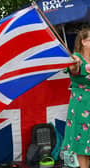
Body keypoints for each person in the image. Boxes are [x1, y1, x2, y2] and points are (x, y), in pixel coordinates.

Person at [62, 28, 90, 168]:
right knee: (82, 140)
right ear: (84, 42)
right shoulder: (76, 58)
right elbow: (73, 68)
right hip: (82, 104)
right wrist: (74, 62)